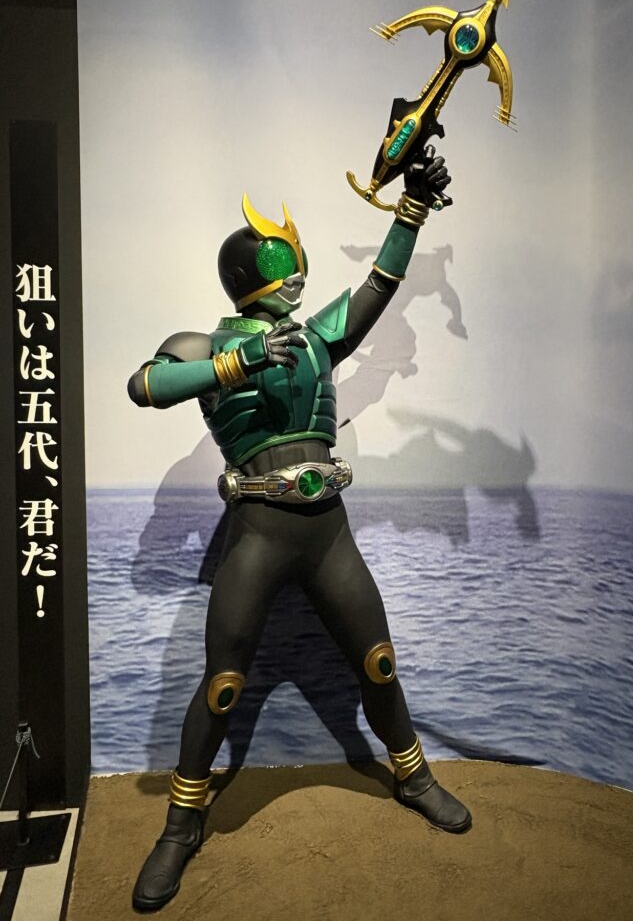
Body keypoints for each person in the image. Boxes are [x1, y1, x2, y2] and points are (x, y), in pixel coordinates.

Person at [127, 149, 470, 912]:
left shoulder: (315, 339)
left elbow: (378, 285)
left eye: (298, 261)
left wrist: (410, 211)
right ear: (248, 273)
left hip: (327, 532)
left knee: (378, 664)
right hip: (258, 532)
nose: (298, 277)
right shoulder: (205, 345)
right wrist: (237, 361)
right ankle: (182, 823)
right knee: (223, 686)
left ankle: (412, 774)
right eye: (282, 263)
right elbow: (145, 385)